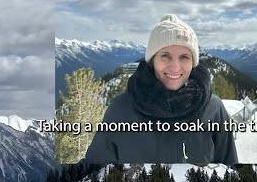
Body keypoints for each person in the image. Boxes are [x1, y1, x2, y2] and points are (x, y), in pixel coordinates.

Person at [85, 14, 238, 165]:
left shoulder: (213, 109)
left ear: (193, 63)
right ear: (153, 60)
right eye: (165, 55)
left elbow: (230, 168)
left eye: (184, 57)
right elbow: (93, 170)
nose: (175, 67)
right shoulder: (120, 110)